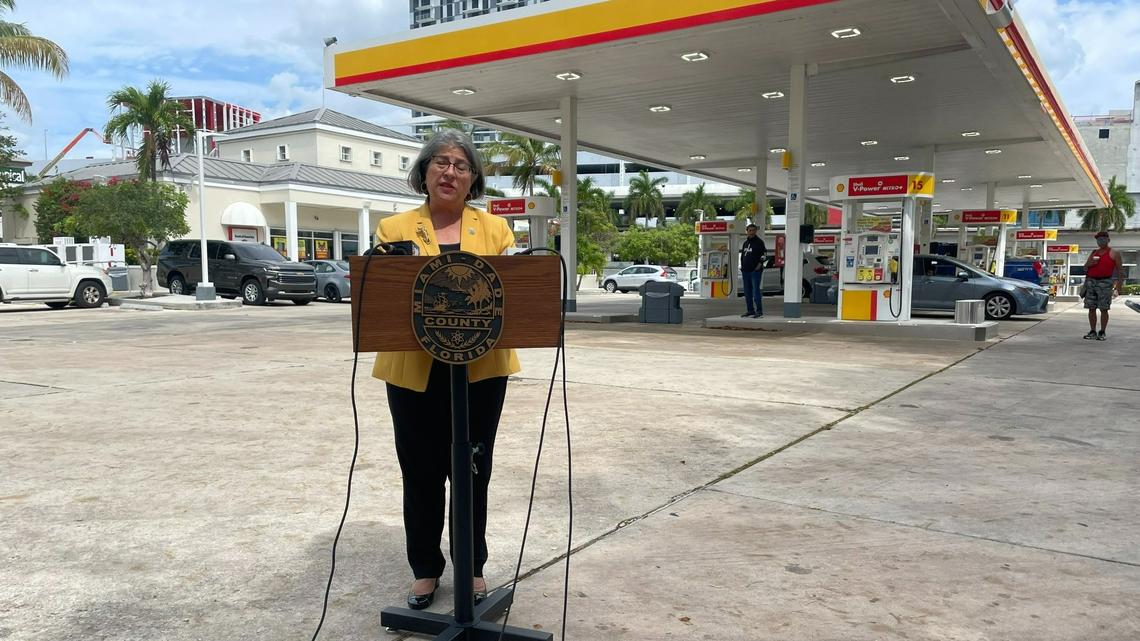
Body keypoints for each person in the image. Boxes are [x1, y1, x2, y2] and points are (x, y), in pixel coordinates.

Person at [371, 129, 519, 609]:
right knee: (420, 471)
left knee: (474, 471)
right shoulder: (393, 229)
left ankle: (471, 567)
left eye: (460, 164)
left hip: (481, 372)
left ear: (473, 178)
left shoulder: (496, 231)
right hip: (414, 371)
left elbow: (513, 298)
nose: (449, 171)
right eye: (440, 162)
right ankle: (425, 569)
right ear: (424, 172)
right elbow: (382, 296)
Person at [1082, 230, 1124, 341]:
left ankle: (1102, 331)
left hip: (1105, 282)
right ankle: (1092, 331)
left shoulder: (1114, 253)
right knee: (1091, 308)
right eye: (1098, 239)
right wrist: (1090, 264)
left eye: (1103, 239)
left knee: (1104, 308)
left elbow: (1120, 271)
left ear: (1108, 240)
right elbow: (1085, 268)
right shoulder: (1094, 253)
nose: (1100, 241)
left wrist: (1119, 287)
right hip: (1091, 282)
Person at [739, 224, 767, 317]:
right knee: (747, 292)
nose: (751, 232)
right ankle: (750, 310)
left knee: (756, 291)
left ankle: (759, 311)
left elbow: (764, 255)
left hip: (755, 271)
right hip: (745, 271)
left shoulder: (759, 242)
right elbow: (743, 256)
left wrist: (759, 265)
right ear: (747, 231)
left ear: (755, 231)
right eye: (749, 230)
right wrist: (742, 267)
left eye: (753, 230)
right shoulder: (745, 243)